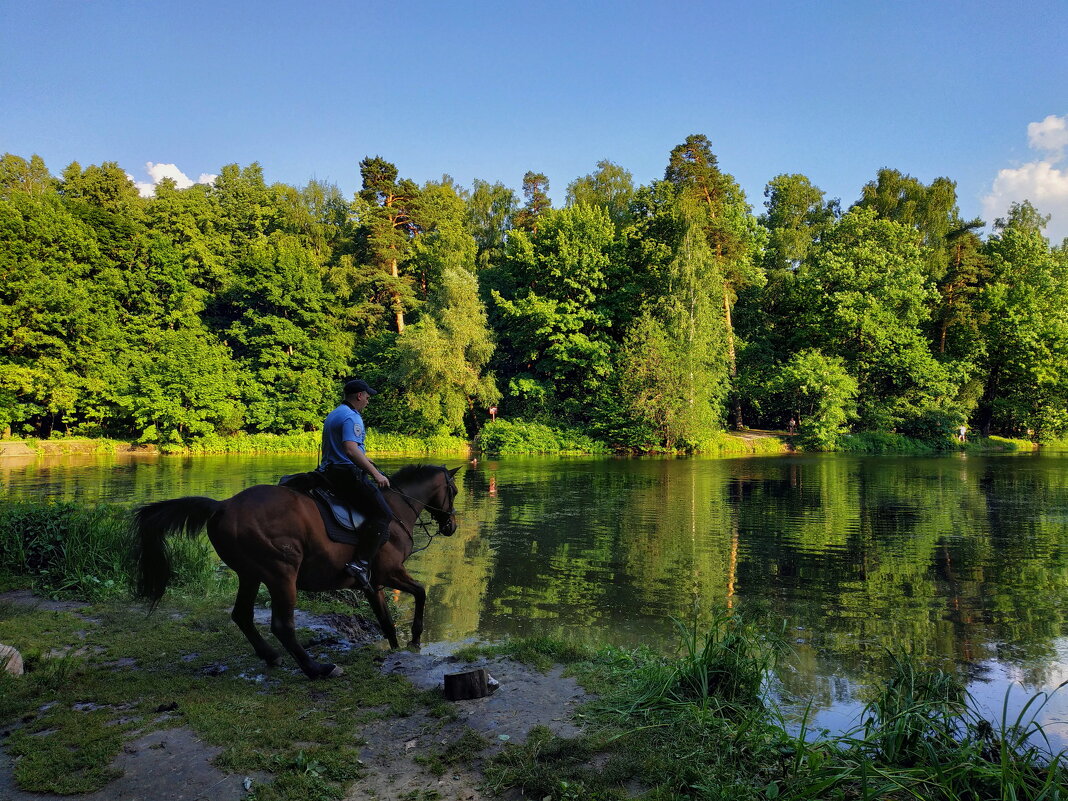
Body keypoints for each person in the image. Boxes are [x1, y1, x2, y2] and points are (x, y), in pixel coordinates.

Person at [317, 379, 393, 591]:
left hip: (329, 472)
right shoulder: (352, 417)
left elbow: (345, 450)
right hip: (346, 475)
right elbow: (350, 449)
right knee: (383, 515)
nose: (368, 400)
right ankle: (359, 563)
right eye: (367, 395)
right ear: (359, 395)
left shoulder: (335, 413)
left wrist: (367, 461)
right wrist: (376, 473)